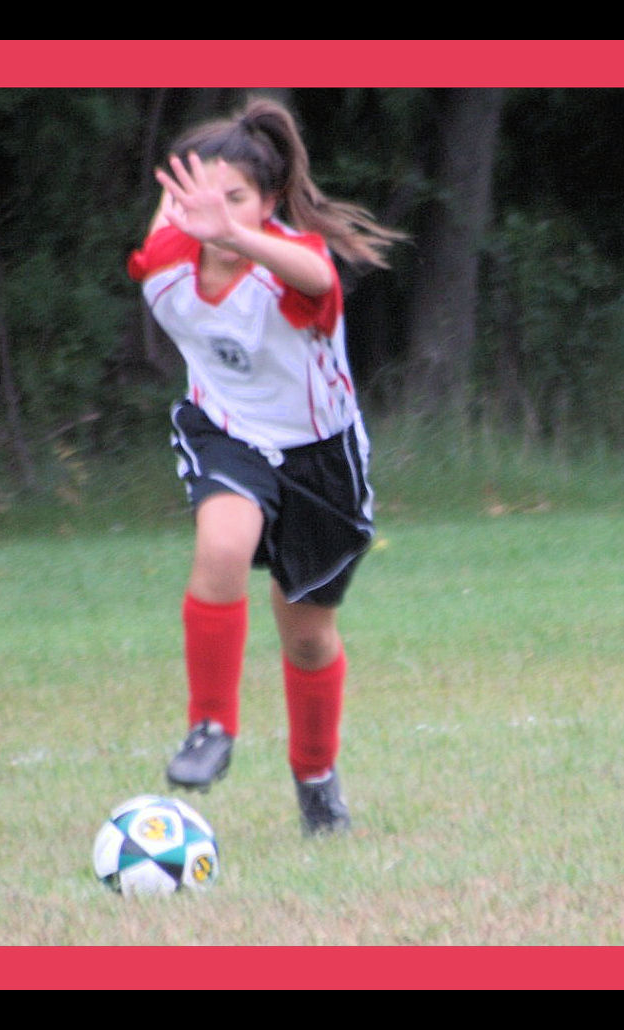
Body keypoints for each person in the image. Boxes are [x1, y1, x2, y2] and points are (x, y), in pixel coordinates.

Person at [126, 96, 405, 835]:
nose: (214, 214)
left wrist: (236, 234)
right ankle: (210, 727)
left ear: (271, 202)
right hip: (228, 435)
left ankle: (316, 782)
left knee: (308, 637)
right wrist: (189, 214)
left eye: (237, 198)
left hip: (321, 460)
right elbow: (161, 238)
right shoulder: (166, 266)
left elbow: (318, 273)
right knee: (221, 544)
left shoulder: (288, 267)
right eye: (201, 196)